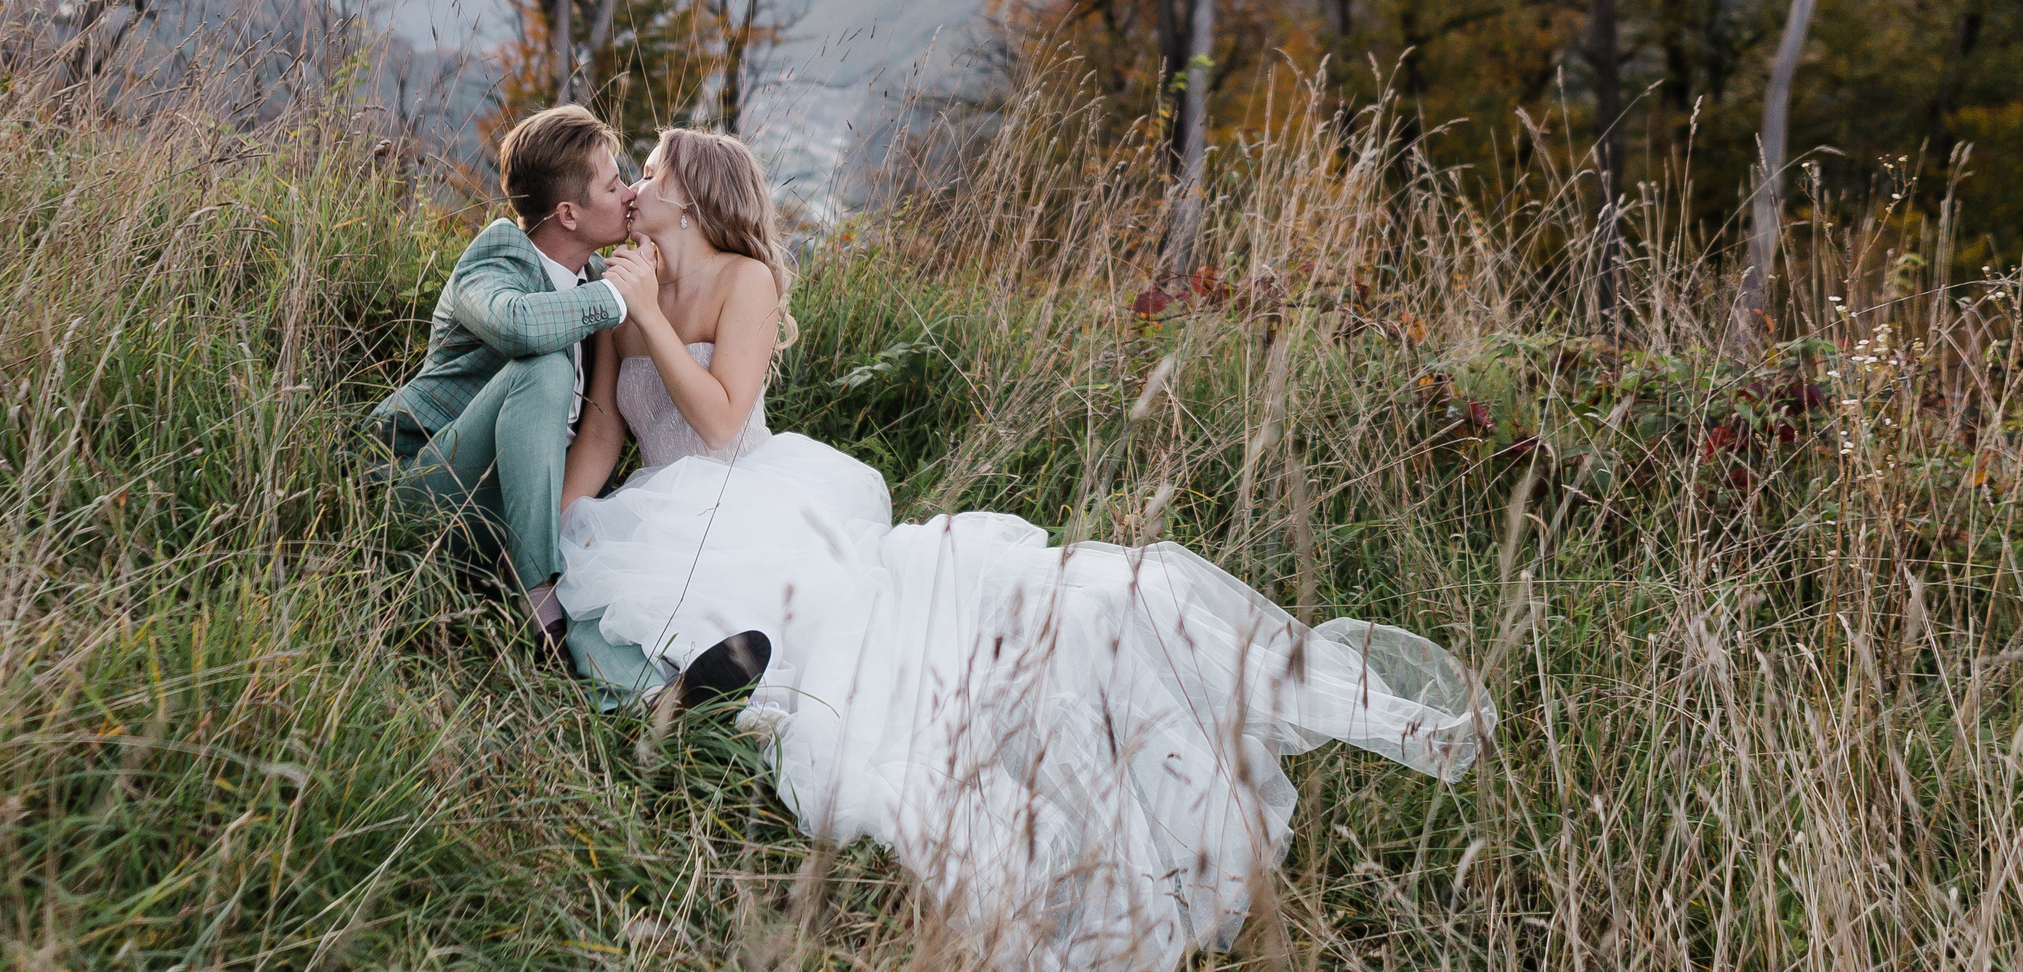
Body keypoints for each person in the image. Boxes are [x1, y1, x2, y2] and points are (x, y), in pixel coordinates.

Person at [556, 127, 1497, 967]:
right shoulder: (622, 287)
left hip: (755, 492)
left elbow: (720, 425)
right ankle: (687, 713)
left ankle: (744, 708)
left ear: (696, 191)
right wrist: (561, 525)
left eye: (649, 171)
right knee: (669, 609)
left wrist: (649, 316)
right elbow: (602, 424)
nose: (635, 184)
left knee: (920, 640)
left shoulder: (742, 280)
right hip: (661, 506)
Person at [372, 104, 767, 705]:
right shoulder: (503, 255)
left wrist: (570, 525)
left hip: (524, 505)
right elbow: (518, 327)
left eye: (638, 178)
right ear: (569, 213)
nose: (631, 190)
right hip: (433, 492)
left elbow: (603, 429)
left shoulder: (600, 288)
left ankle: (643, 702)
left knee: (595, 559)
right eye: (614, 184)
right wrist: (619, 298)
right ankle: (537, 591)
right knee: (545, 360)